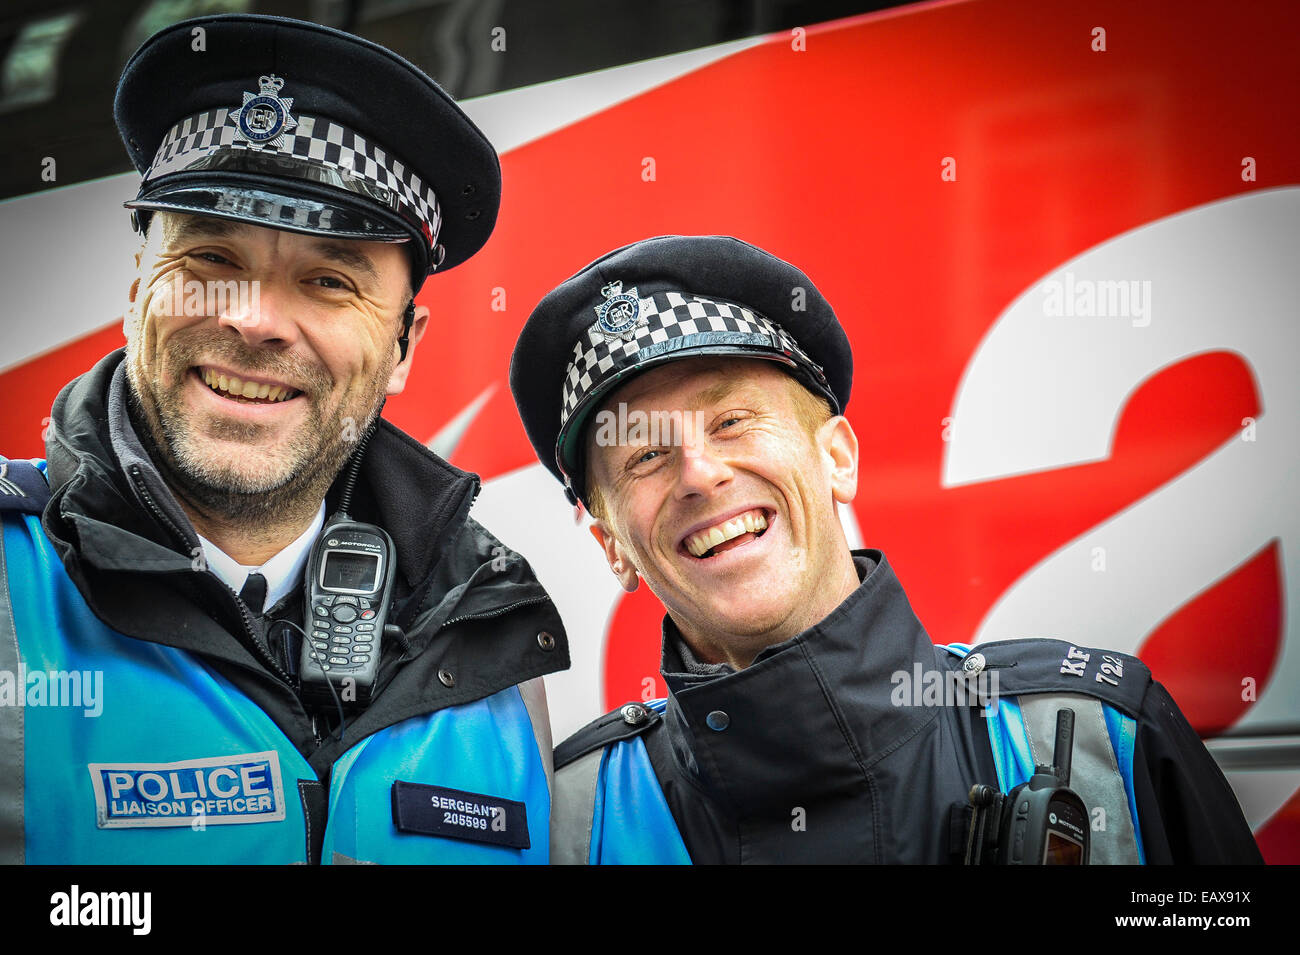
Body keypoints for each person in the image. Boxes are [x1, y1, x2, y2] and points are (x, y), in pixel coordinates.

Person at [0, 14, 567, 864]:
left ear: (405, 346)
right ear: (136, 295)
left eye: (328, 279)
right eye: (211, 260)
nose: (257, 320)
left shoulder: (489, 632)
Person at [508, 234, 1263, 864]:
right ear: (614, 547)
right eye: (643, 457)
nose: (700, 473)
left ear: (838, 457)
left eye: (733, 421)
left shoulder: (1107, 734)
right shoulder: (566, 822)